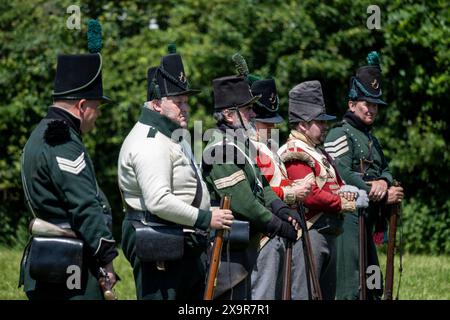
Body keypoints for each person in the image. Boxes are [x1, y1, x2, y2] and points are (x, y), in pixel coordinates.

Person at [118, 45, 233, 300]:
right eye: (178, 101)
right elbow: (158, 200)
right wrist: (205, 219)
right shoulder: (150, 141)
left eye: (186, 101)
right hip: (159, 240)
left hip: (178, 238)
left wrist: (207, 212)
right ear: (157, 104)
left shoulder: (171, 134)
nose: (186, 107)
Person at [19, 20, 118, 300]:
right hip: (69, 267)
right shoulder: (62, 141)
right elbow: (84, 205)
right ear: (82, 106)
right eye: (96, 108)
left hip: (54, 263)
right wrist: (107, 256)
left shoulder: (43, 133)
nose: (97, 116)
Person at [202, 75, 299, 300]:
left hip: (242, 244)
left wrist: (280, 208)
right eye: (246, 109)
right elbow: (242, 202)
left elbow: (260, 183)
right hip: (227, 248)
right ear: (228, 114)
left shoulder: (239, 142)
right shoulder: (221, 148)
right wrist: (276, 224)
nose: (253, 114)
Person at [278, 80, 369, 300]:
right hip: (310, 232)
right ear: (303, 124)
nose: (325, 126)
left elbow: (333, 185)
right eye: (319, 121)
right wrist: (345, 203)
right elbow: (310, 195)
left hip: (328, 230)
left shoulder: (317, 152)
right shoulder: (295, 151)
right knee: (305, 294)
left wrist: (346, 192)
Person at [325, 52, 404, 300]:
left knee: (371, 285)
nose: (372, 109)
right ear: (351, 104)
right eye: (366, 104)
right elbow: (342, 173)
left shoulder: (371, 138)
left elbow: (386, 169)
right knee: (349, 285)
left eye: (375, 105)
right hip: (347, 218)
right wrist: (377, 192)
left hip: (367, 219)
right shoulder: (339, 133)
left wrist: (385, 182)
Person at [248, 77, 312, 299]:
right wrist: (292, 193)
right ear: (252, 118)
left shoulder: (268, 148)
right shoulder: (249, 149)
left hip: (282, 227)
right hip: (264, 233)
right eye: (267, 123)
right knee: (263, 294)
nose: (272, 127)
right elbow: (258, 192)